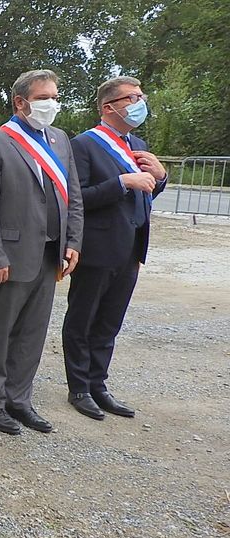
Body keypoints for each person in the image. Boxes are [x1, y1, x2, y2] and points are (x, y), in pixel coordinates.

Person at [0, 69, 84, 435]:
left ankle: (19, 400)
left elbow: (73, 196)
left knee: (32, 333)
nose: (51, 103)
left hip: (51, 252)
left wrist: (73, 242)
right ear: (20, 102)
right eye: (43, 98)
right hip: (10, 254)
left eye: (55, 96)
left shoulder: (59, 139)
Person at [62, 76, 167, 420]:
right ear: (109, 107)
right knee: (83, 319)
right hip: (97, 247)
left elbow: (144, 191)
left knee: (109, 322)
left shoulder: (136, 143)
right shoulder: (84, 144)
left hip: (131, 247)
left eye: (141, 96)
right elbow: (77, 198)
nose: (140, 103)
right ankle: (79, 387)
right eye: (132, 98)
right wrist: (121, 182)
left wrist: (161, 178)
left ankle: (98, 384)